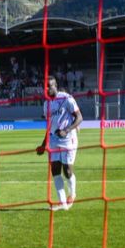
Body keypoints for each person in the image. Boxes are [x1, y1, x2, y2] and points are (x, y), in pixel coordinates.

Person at [36, 76, 83, 211]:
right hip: (54, 140)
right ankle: (62, 202)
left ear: (55, 86)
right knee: (55, 170)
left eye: (49, 86)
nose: (47, 89)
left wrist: (67, 130)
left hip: (68, 138)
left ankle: (72, 194)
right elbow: (49, 125)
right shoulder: (46, 104)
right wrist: (44, 144)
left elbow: (79, 117)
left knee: (67, 170)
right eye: (45, 86)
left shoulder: (67, 98)